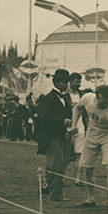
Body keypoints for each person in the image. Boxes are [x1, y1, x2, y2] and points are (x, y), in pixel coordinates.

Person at [71, 84, 108, 213]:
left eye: (107, 102)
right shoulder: (88, 98)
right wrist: (73, 125)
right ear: (96, 97)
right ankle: (90, 198)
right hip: (92, 133)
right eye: (102, 102)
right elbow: (77, 108)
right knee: (86, 168)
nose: (104, 105)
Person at [36, 69, 73, 201]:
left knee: (57, 164)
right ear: (56, 82)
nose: (66, 85)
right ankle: (55, 194)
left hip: (61, 135)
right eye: (63, 82)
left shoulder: (66, 98)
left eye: (67, 82)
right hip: (49, 136)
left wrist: (69, 127)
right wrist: (62, 121)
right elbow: (44, 116)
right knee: (57, 164)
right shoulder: (47, 98)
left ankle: (47, 188)